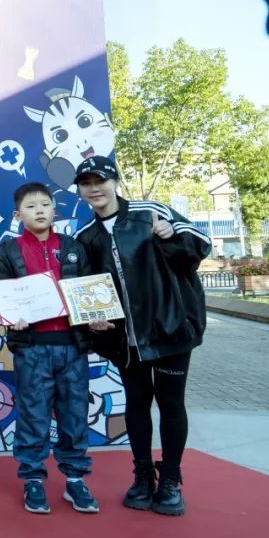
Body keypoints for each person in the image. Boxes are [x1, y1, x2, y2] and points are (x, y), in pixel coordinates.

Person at [74, 156, 211, 516]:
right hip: (125, 341)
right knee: (136, 403)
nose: (94, 189)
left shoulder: (150, 212)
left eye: (100, 181)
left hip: (171, 329)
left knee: (170, 403)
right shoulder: (85, 237)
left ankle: (170, 480)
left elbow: (200, 246)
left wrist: (171, 235)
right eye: (86, 183)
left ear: (115, 182)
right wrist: (95, 321)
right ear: (80, 191)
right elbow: (88, 290)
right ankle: (142, 476)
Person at [0, 182, 109, 514]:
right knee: (33, 415)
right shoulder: (9, 251)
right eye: (31, 206)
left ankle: (75, 480)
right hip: (32, 349)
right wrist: (9, 315)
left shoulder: (73, 247)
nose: (39, 211)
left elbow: (88, 291)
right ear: (18, 215)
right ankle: (33, 480)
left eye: (45, 204)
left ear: (55, 209)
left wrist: (96, 317)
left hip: (72, 346)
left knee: (75, 414)